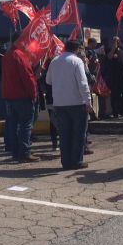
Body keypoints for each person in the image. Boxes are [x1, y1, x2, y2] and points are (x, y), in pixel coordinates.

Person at [47, 40, 92, 170]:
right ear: (77, 49)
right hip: (76, 103)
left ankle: (65, 162)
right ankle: (76, 161)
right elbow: (83, 84)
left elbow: (48, 80)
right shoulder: (77, 61)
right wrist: (88, 102)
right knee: (78, 134)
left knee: (64, 134)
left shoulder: (54, 61)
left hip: (60, 104)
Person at [2, 34, 39, 162]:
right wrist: (33, 94)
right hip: (22, 96)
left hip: (10, 96)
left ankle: (16, 152)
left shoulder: (7, 55)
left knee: (13, 125)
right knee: (25, 125)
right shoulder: (20, 55)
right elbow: (28, 77)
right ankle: (25, 153)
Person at [105, 36, 123, 118]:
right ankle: (115, 112)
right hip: (114, 76)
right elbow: (109, 57)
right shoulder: (109, 50)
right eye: (115, 41)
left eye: (118, 41)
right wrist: (113, 48)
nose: (117, 42)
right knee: (115, 94)